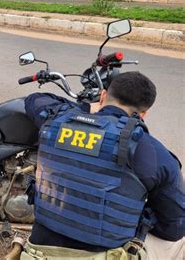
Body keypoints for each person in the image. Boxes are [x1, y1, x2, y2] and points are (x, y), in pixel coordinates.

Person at [21, 71, 184, 260]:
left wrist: (83, 109)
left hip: (38, 253)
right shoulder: (154, 152)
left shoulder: (57, 120)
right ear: (143, 114)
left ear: (103, 95)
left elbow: (35, 99)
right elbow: (174, 228)